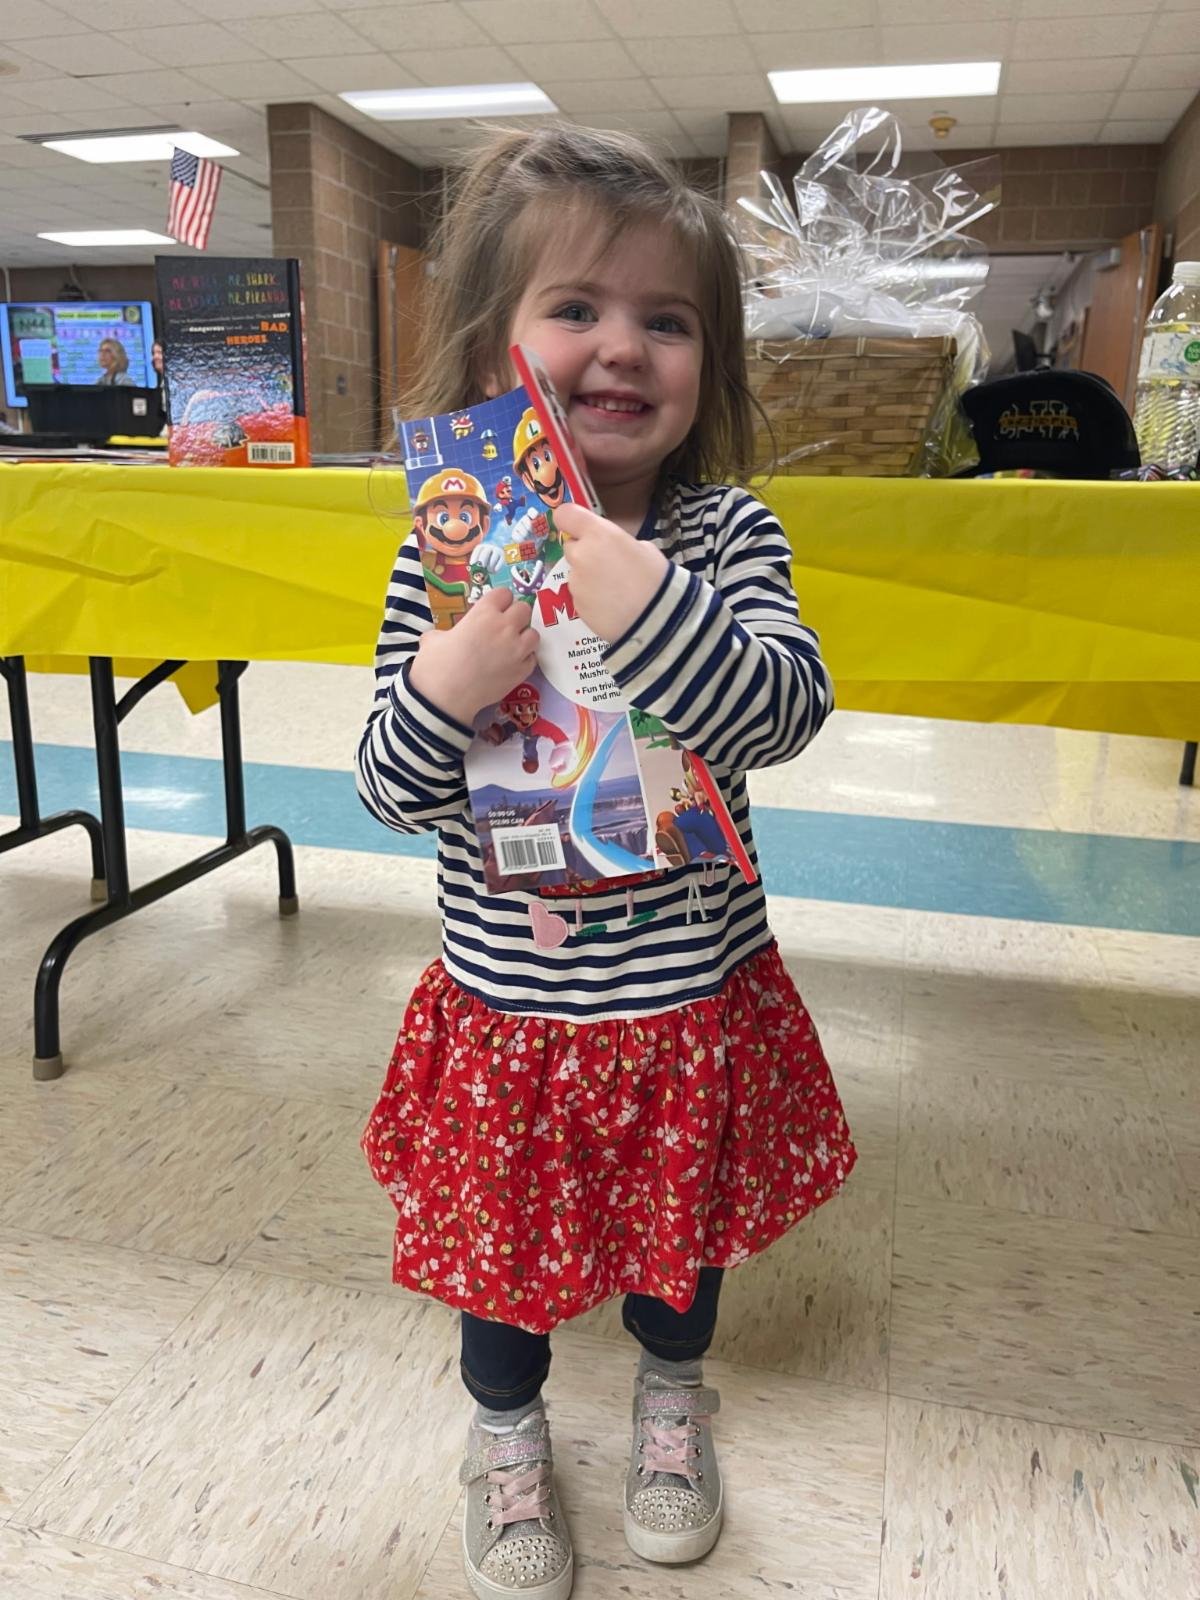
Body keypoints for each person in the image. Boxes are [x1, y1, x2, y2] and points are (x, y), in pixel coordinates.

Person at [356, 123, 857, 1600]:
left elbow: (784, 709)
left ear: (711, 364)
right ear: (495, 346)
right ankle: (505, 1436)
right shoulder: (449, 550)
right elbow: (388, 786)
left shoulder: (723, 535)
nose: (623, 347)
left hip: (683, 1005)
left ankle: (672, 1401)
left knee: (680, 1255)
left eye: (668, 320)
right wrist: (451, 681)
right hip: (511, 1017)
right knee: (501, 1268)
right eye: (575, 307)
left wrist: (646, 600)